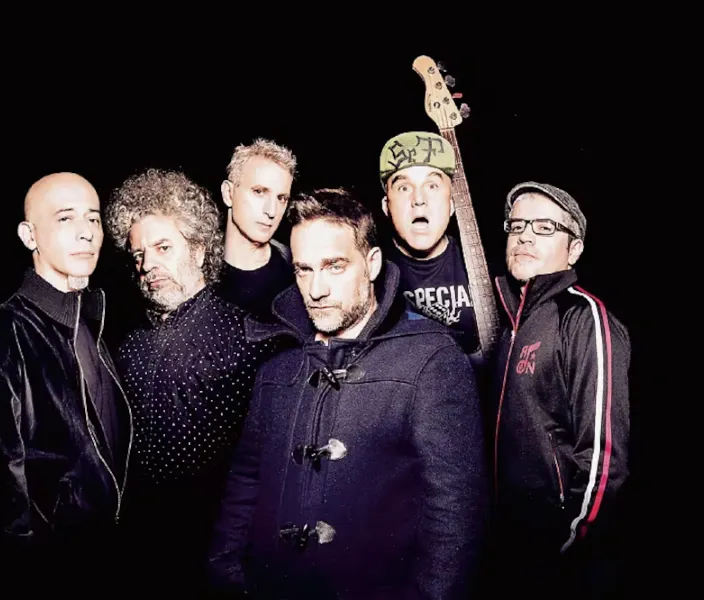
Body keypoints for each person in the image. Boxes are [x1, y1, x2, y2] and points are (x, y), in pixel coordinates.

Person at [207, 188, 488, 599]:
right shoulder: (276, 367)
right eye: (304, 270)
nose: (315, 289)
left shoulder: (432, 360)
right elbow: (243, 486)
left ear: (371, 264)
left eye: (334, 266)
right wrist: (227, 575)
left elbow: (456, 516)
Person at [103, 167, 280, 585]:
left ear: (199, 250)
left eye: (163, 247)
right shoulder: (126, 346)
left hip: (217, 554)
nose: (148, 264)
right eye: (138, 254)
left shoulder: (251, 339)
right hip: (138, 552)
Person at [0, 172, 133, 562]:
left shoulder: (92, 320)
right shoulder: (1, 332)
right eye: (65, 218)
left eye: (93, 219)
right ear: (29, 236)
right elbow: (0, 480)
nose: (86, 232)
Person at [487, 181, 631, 599]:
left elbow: (605, 459)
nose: (525, 235)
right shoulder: (509, 326)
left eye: (545, 227)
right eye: (517, 225)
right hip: (509, 555)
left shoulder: (584, 318)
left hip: (561, 563)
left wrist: (568, 547)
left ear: (574, 250)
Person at [378, 131, 482, 359]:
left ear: (452, 204)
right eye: (404, 188)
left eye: (432, 186)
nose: (419, 199)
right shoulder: (371, 273)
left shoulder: (485, 267)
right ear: (387, 206)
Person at [215, 137, 297, 321]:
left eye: (281, 198)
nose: (272, 211)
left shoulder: (296, 270)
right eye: (259, 192)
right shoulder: (197, 271)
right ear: (228, 194)